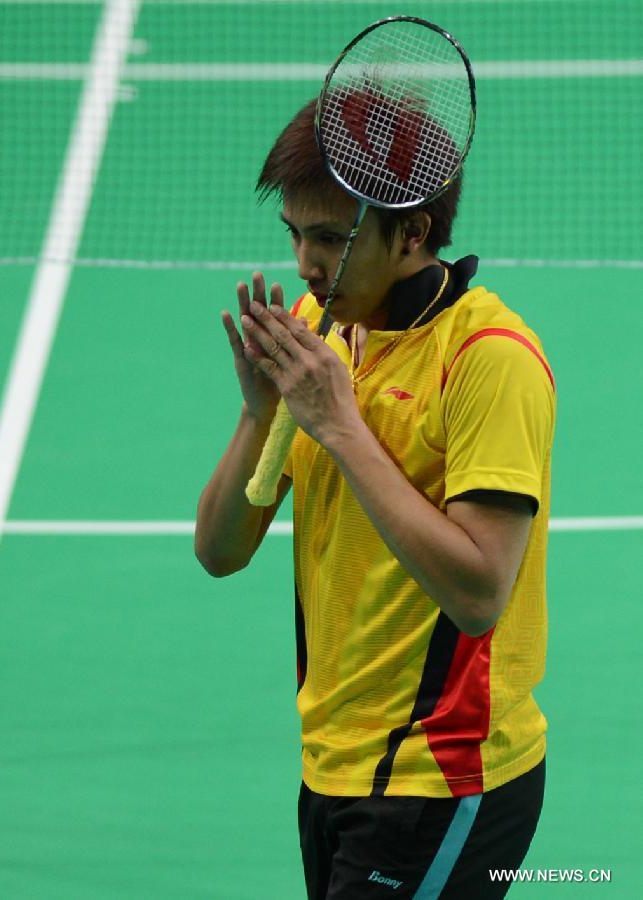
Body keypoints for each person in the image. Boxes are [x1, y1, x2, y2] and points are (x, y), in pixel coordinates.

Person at [195, 97, 556, 899]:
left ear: (413, 231)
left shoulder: (489, 362)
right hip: (333, 757)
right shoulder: (320, 331)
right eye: (294, 233)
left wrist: (342, 429)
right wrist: (260, 414)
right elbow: (220, 550)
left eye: (330, 238)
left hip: (444, 773)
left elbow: (478, 593)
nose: (304, 264)